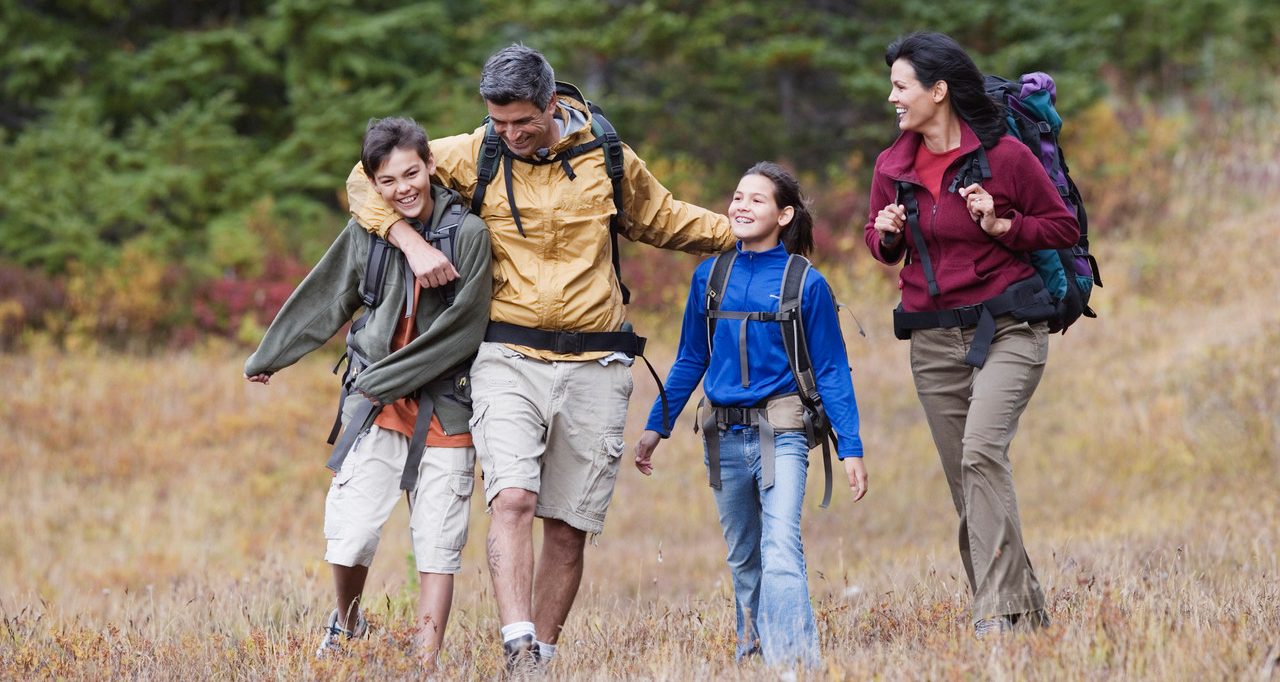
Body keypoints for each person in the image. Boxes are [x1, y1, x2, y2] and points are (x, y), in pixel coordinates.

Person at [343, 45, 734, 670]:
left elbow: (666, 220)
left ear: (552, 105)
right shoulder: (479, 152)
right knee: (513, 499)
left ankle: (540, 657)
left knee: (567, 524)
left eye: (521, 122)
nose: (510, 134)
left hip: (598, 362)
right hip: (506, 354)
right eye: (498, 122)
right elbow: (366, 177)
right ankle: (515, 638)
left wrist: (748, 234)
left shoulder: (607, 157)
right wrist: (409, 240)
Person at [244, 117, 492, 667]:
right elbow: (327, 293)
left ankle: (424, 662)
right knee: (350, 533)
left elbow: (464, 329)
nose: (403, 187)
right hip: (376, 413)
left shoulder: (469, 235)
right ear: (373, 184)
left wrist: (382, 380)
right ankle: (349, 623)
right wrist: (272, 355)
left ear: (431, 165)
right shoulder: (369, 233)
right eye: (388, 180)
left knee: (438, 545)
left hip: (445, 408)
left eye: (411, 173)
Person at [863, 31, 1080, 638]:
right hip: (932, 341)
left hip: (1008, 327)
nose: (892, 98)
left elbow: (1061, 226)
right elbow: (881, 247)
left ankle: (996, 617)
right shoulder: (892, 166)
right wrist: (886, 233)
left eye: (900, 86)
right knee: (968, 482)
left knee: (983, 453)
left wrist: (1001, 221)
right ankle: (1026, 614)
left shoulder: (1005, 156)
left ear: (938, 91)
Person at [633, 162, 868, 668]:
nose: (740, 206)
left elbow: (831, 370)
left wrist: (851, 447)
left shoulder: (806, 283)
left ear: (784, 215)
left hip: (782, 432)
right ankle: (752, 651)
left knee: (781, 546)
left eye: (756, 200)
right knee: (744, 557)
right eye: (737, 196)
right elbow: (691, 358)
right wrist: (657, 426)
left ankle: (794, 664)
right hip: (722, 436)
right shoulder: (709, 275)